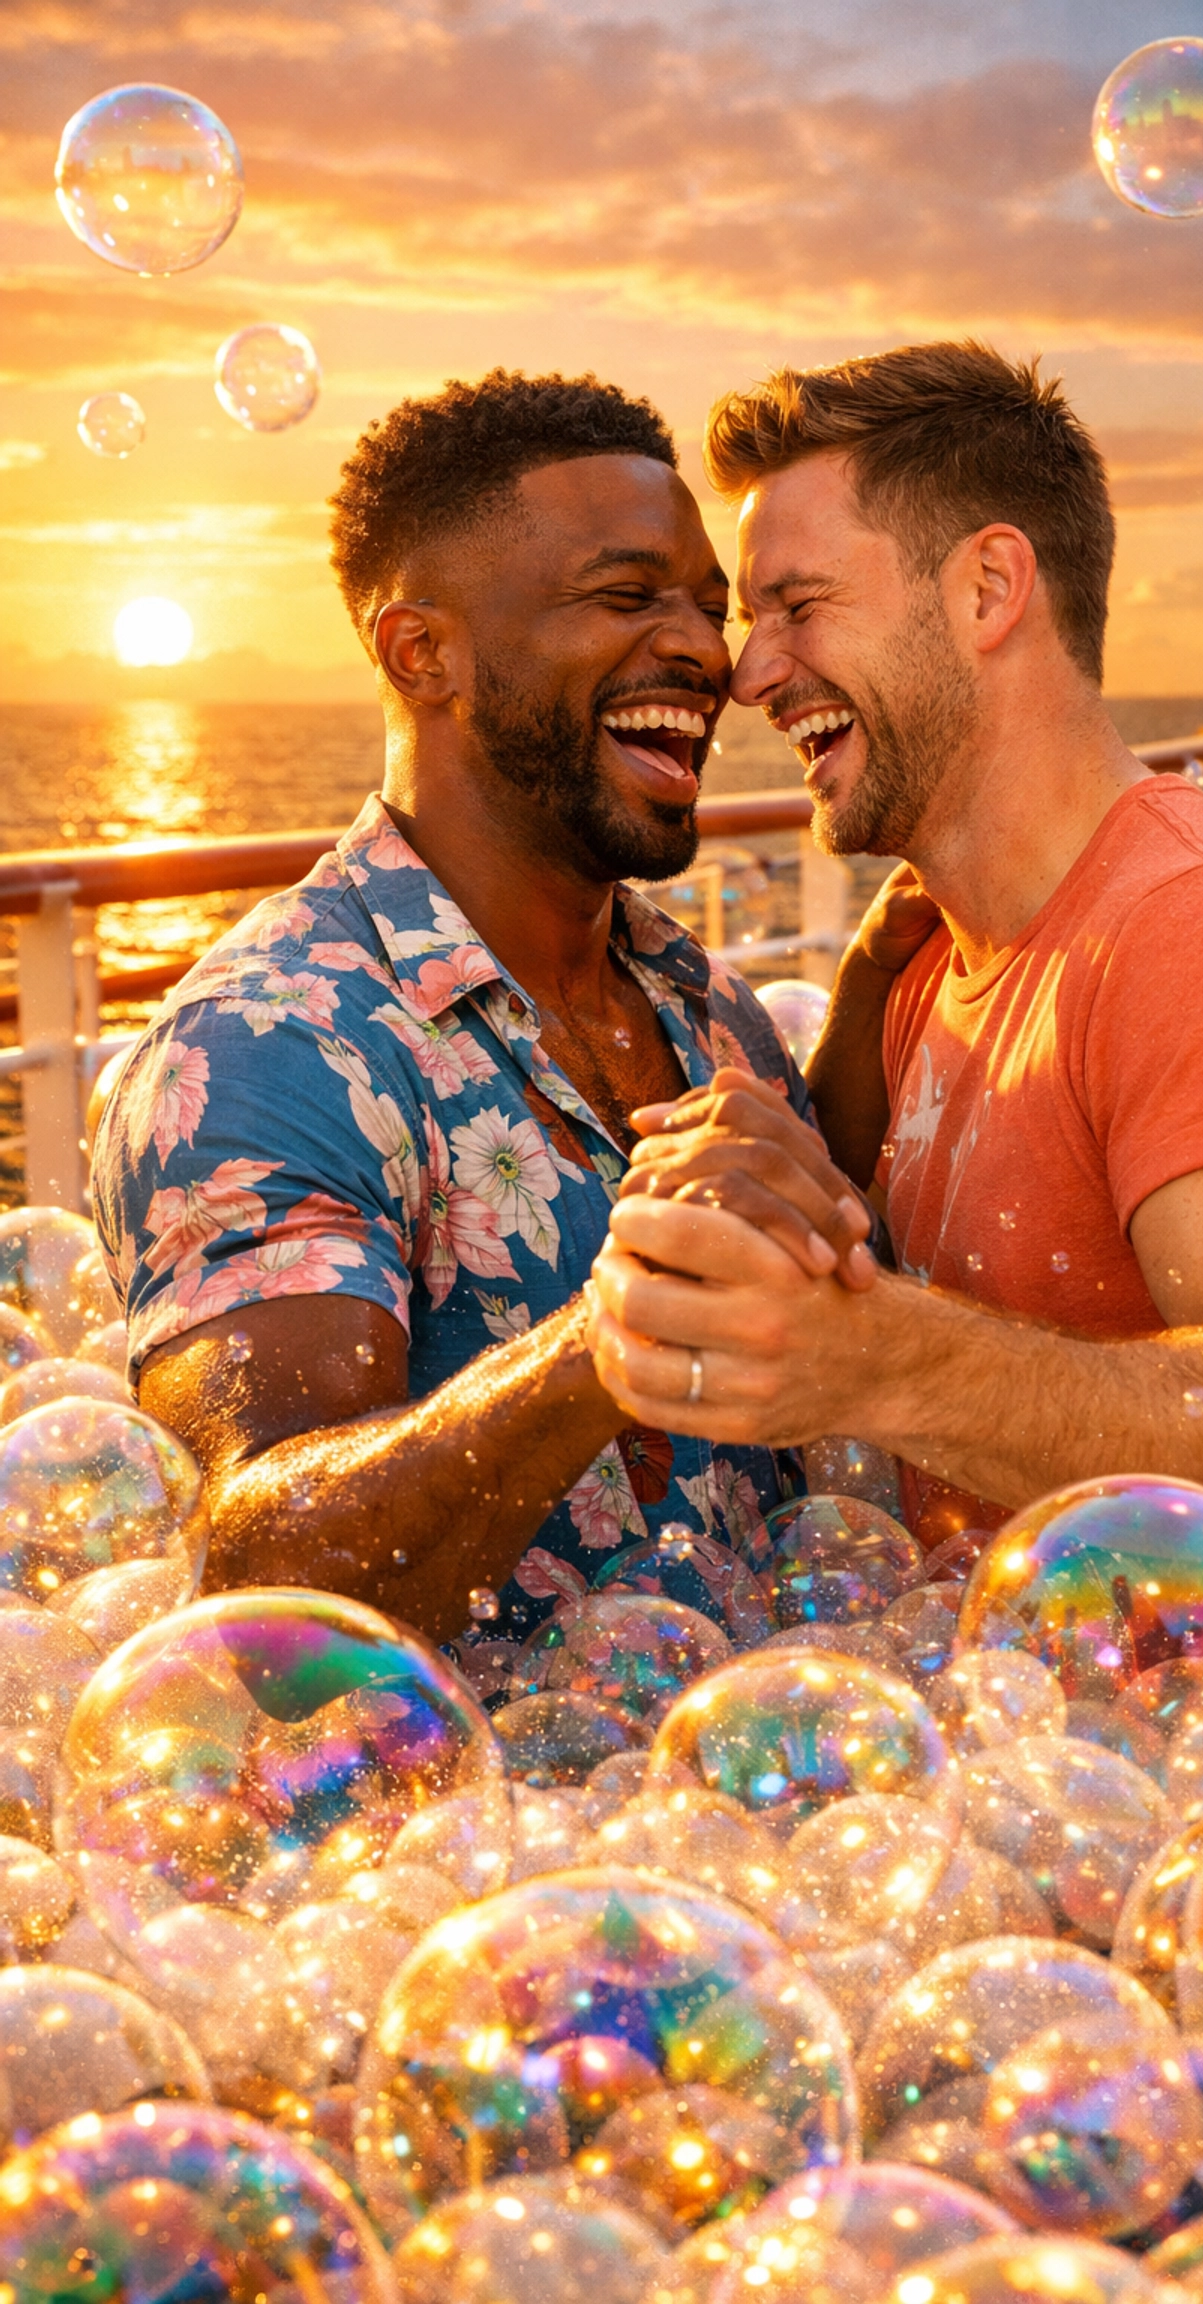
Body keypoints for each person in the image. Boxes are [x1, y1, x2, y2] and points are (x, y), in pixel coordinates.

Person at [585, 339, 1203, 1599]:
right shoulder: (934, 960)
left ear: (990, 587)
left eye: (798, 606)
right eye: (750, 620)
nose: (749, 673)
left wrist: (878, 1361)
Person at [91, 368, 873, 1649]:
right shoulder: (270, 1044)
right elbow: (270, 1589)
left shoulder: (711, 1007)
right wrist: (614, 1332)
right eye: (625, 597)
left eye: (704, 607)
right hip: (479, 1837)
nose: (705, 653)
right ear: (424, 651)